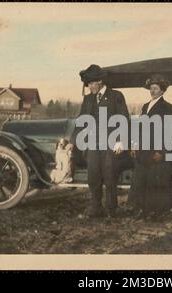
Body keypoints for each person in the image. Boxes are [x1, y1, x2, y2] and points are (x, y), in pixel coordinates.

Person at [76, 64, 130, 218]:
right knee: (93, 177)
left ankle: (111, 211)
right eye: (88, 84)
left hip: (110, 144)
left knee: (110, 177)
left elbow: (124, 119)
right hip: (93, 144)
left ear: (100, 81)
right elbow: (81, 121)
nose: (89, 86)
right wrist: (73, 141)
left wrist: (120, 140)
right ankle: (95, 208)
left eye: (91, 83)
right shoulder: (88, 99)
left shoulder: (116, 96)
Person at [128, 74, 172, 220]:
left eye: (155, 88)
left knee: (156, 180)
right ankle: (141, 209)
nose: (152, 91)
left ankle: (156, 212)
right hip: (143, 150)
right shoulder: (145, 106)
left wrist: (162, 151)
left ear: (162, 91)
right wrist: (134, 145)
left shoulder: (167, 107)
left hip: (156, 150)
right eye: (151, 88)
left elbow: (169, 131)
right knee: (141, 180)